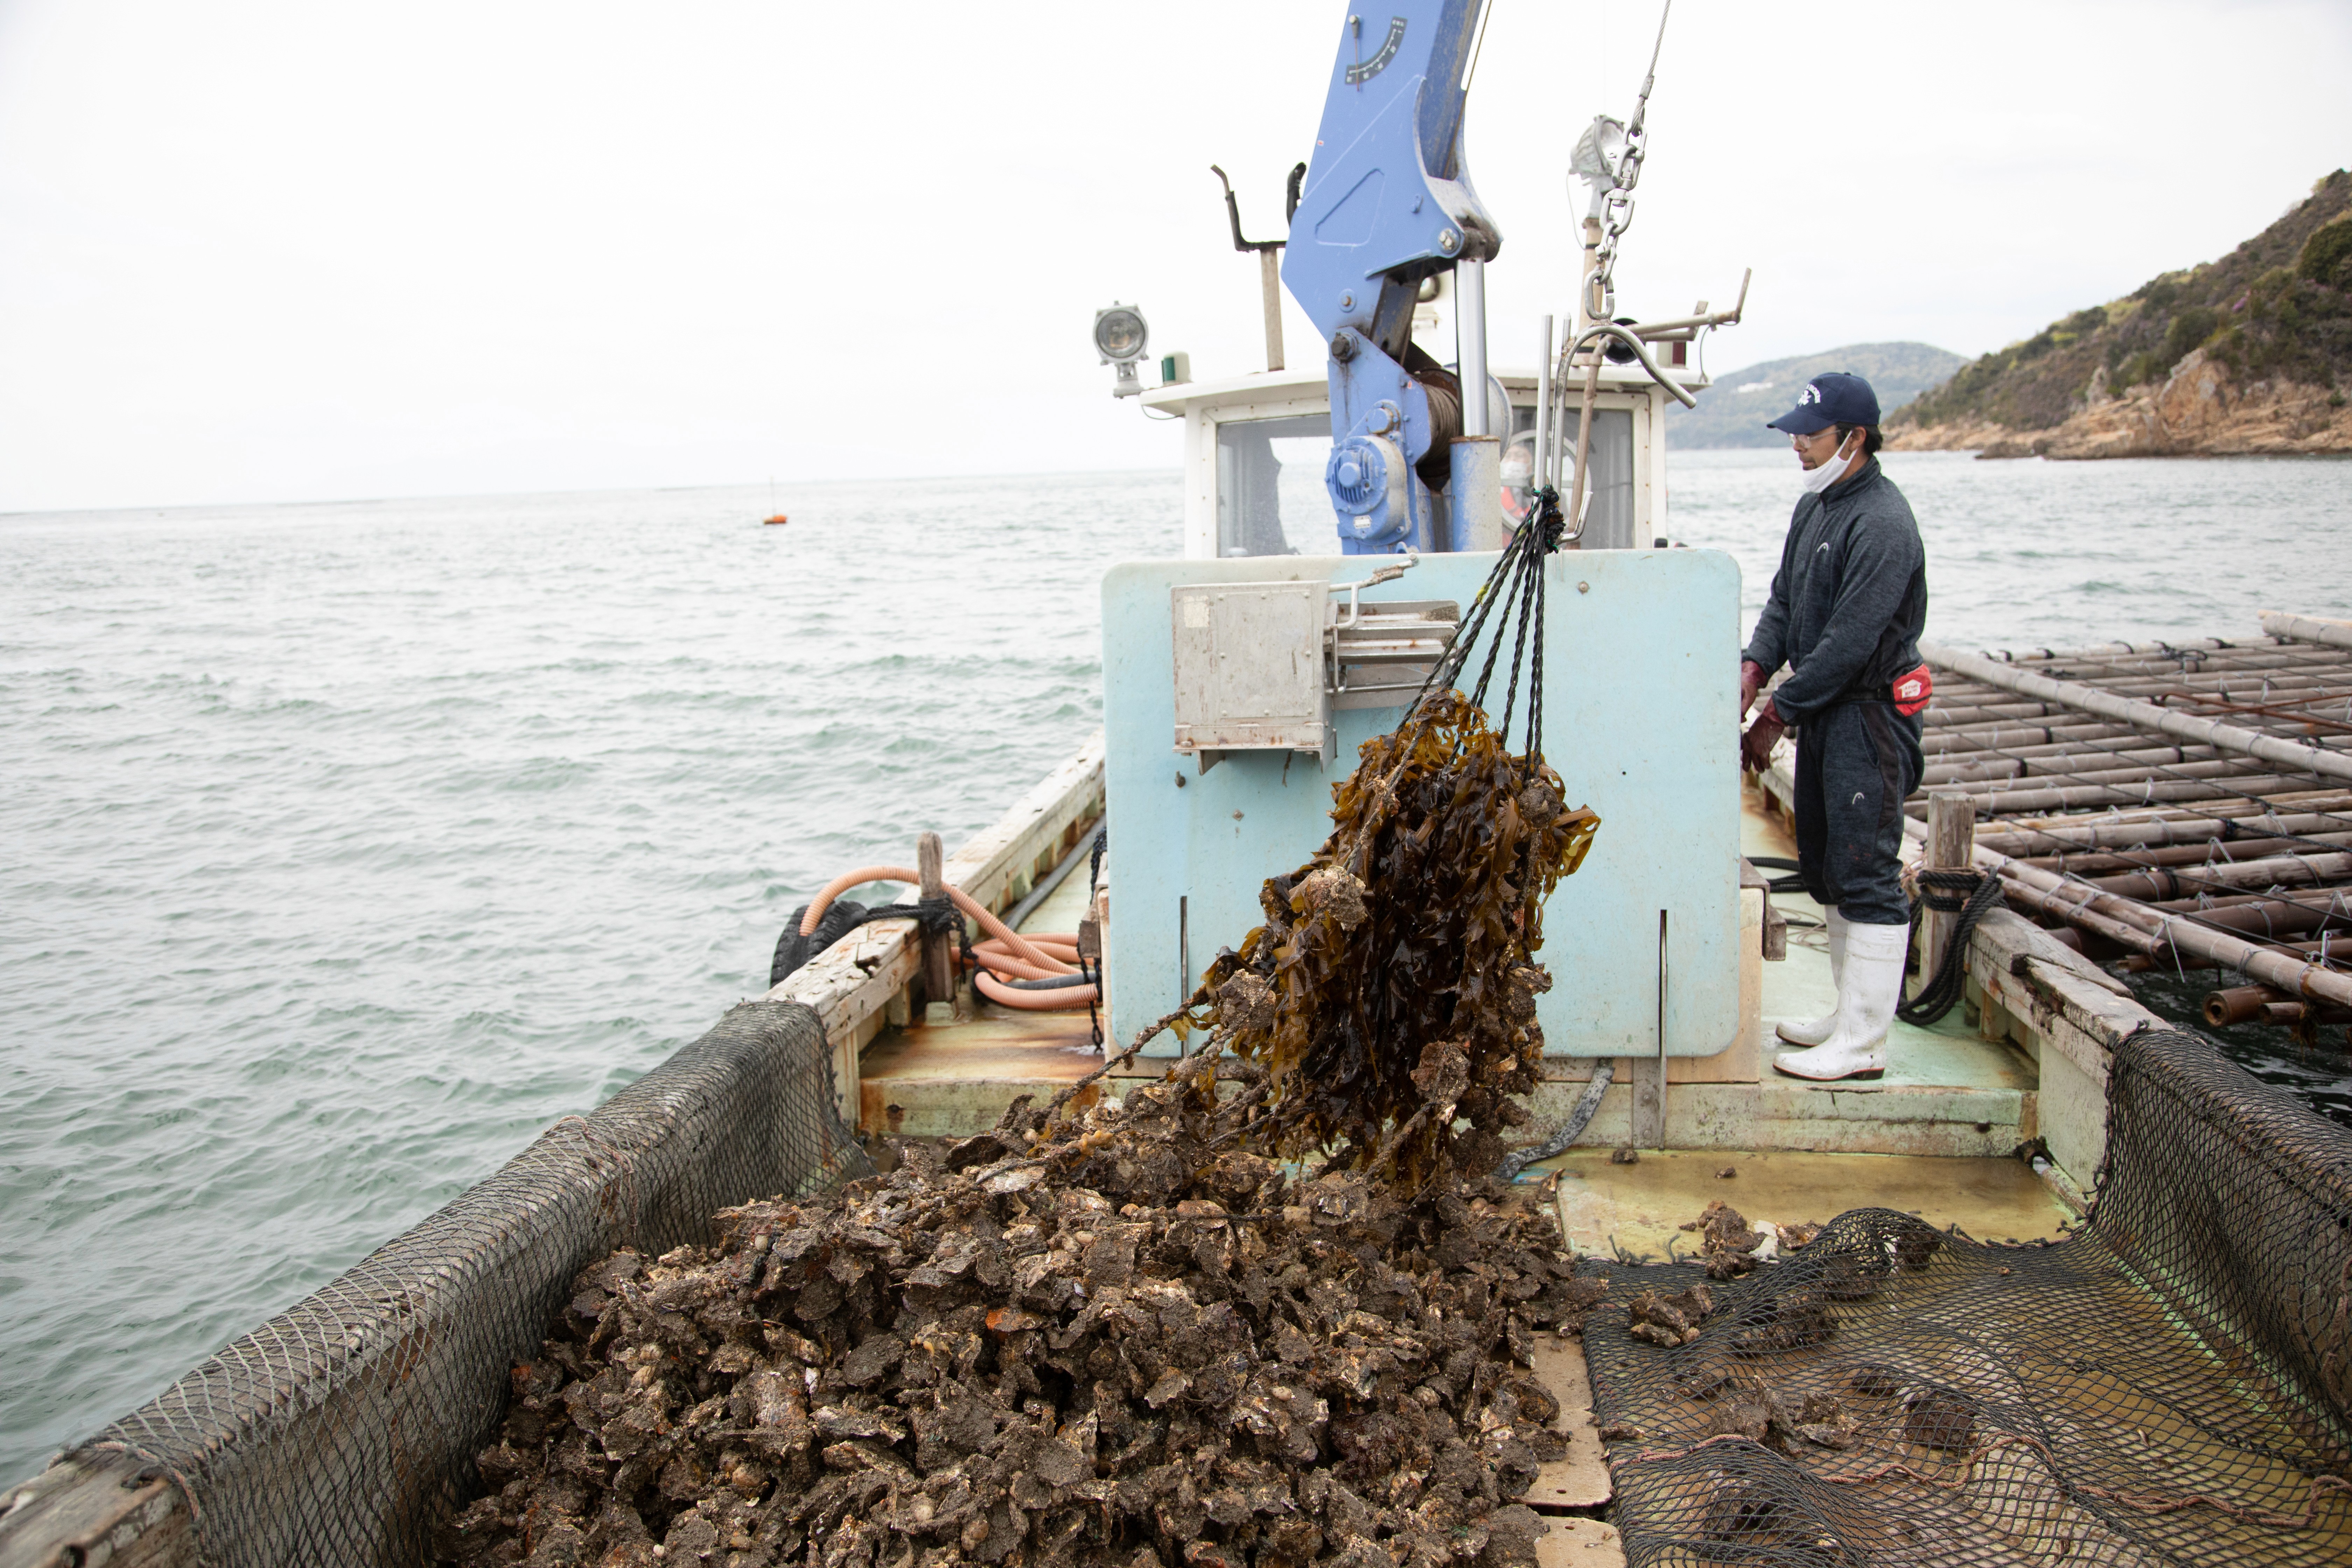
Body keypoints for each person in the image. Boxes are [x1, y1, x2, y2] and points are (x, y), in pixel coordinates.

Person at [1738, 372, 1932, 1082]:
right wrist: (1756, 664)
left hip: (1871, 716)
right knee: (1832, 871)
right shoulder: (1814, 507)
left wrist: (1775, 715)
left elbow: (1851, 641)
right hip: (1828, 713)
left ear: (1853, 438)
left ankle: (1864, 1044)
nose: (1797, 442)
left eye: (1810, 433)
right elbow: (1785, 602)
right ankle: (1847, 1015)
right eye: (1794, 431)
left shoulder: (1881, 522)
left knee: (1869, 873)